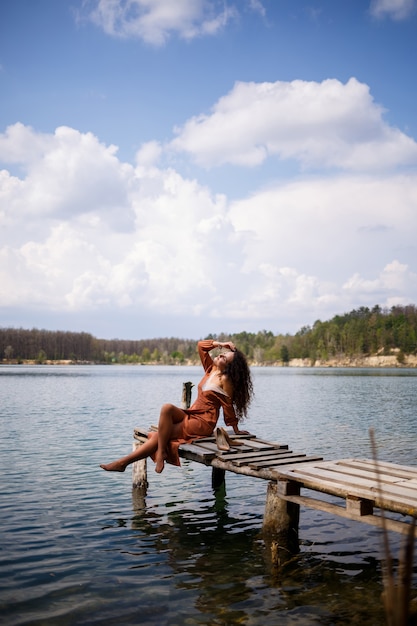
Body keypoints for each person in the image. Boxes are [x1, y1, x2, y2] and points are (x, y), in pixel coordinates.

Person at [100, 339, 253, 474]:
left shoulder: (225, 380)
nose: (220, 355)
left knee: (161, 435)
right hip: (192, 413)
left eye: (224, 357)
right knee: (167, 408)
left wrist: (236, 428)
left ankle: (126, 462)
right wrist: (220, 344)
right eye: (221, 353)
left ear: (229, 367)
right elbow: (201, 346)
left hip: (204, 422)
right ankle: (153, 455)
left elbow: (228, 407)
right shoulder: (210, 369)